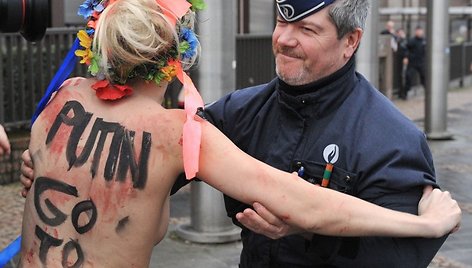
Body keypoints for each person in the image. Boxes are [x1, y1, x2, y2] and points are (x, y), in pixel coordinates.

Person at [18, 0, 461, 267]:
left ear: (351, 41)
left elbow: (396, 259)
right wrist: (427, 222)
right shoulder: (227, 115)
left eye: (306, 28)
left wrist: (310, 235)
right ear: (178, 53)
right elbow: (302, 201)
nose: (284, 38)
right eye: (282, 22)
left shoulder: (394, 138)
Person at [402, 26, 426, 100]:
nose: (419, 32)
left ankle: (428, 93)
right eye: (417, 31)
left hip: (421, 62)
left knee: (425, 77)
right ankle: (405, 93)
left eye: (420, 31)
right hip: (412, 62)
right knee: (408, 76)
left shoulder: (424, 41)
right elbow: (405, 48)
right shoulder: (412, 41)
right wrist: (406, 57)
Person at [395, 28, 408, 99]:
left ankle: (403, 93)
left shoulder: (404, 40)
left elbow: (406, 49)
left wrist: (406, 57)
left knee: (403, 76)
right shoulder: (398, 40)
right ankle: (400, 92)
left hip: (403, 59)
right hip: (399, 60)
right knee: (400, 76)